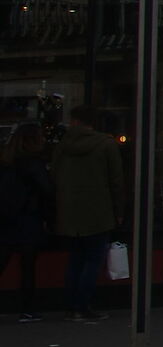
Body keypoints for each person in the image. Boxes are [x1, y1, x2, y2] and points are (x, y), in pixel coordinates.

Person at [51, 104, 124, 324]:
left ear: (74, 121)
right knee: (93, 261)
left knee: (75, 260)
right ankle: (83, 305)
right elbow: (116, 181)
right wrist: (119, 210)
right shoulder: (106, 145)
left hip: (69, 211)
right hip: (98, 211)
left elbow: (54, 175)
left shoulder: (63, 146)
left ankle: (71, 306)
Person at [1, 121, 54, 321]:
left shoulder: (6, 162)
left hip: (7, 217)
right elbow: (46, 190)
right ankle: (27, 309)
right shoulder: (34, 163)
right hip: (28, 218)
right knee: (28, 266)